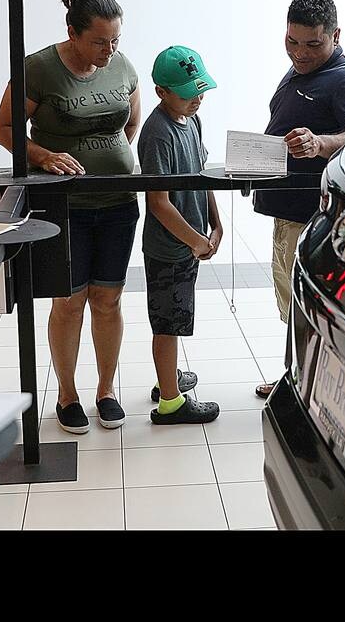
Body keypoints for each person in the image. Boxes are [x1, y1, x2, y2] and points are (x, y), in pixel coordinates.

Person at [0, 0, 141, 433]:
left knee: (109, 299)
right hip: (64, 207)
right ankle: (67, 392)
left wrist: (108, 156)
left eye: (116, 40)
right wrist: (43, 156)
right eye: (99, 41)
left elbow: (131, 120)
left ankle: (106, 390)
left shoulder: (122, 65)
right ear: (72, 32)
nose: (109, 50)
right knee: (70, 300)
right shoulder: (38, 69)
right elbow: (3, 128)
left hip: (118, 203)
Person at [252, 0, 345, 398]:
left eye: (312, 44)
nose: (300, 53)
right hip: (286, 209)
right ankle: (296, 374)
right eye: (292, 41)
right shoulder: (299, 71)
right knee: (289, 300)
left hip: (315, 215)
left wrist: (322, 143)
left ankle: (306, 384)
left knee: (308, 304)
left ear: (336, 35)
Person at [136, 46, 224, 424]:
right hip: (169, 248)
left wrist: (215, 224)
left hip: (190, 241)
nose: (197, 100)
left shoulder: (194, 121)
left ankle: (167, 377)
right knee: (167, 324)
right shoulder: (157, 134)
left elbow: (201, 177)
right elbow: (159, 203)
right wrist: (193, 240)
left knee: (176, 315)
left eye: (201, 91)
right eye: (188, 94)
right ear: (161, 92)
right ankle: (170, 402)